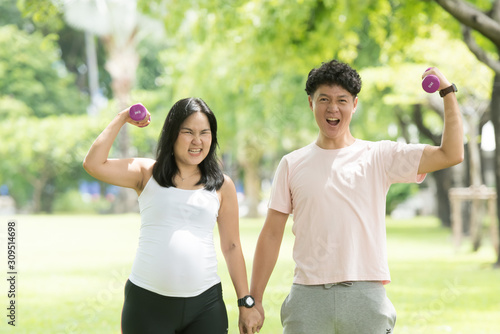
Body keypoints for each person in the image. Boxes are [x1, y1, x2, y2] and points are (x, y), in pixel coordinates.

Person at [250, 60, 463, 333]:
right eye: (323, 99)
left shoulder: (380, 156)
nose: (332, 108)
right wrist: (253, 300)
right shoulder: (292, 164)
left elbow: (452, 153)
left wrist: (447, 92)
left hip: (366, 295)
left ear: (355, 104)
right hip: (308, 297)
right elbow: (270, 235)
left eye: (342, 100)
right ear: (310, 103)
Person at [83, 98, 262, 334]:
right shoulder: (147, 173)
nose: (197, 141)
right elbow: (93, 164)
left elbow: (231, 246)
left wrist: (245, 302)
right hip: (147, 305)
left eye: (204, 133)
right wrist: (123, 117)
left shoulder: (221, 185)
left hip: (205, 306)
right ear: (172, 134)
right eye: (188, 132)